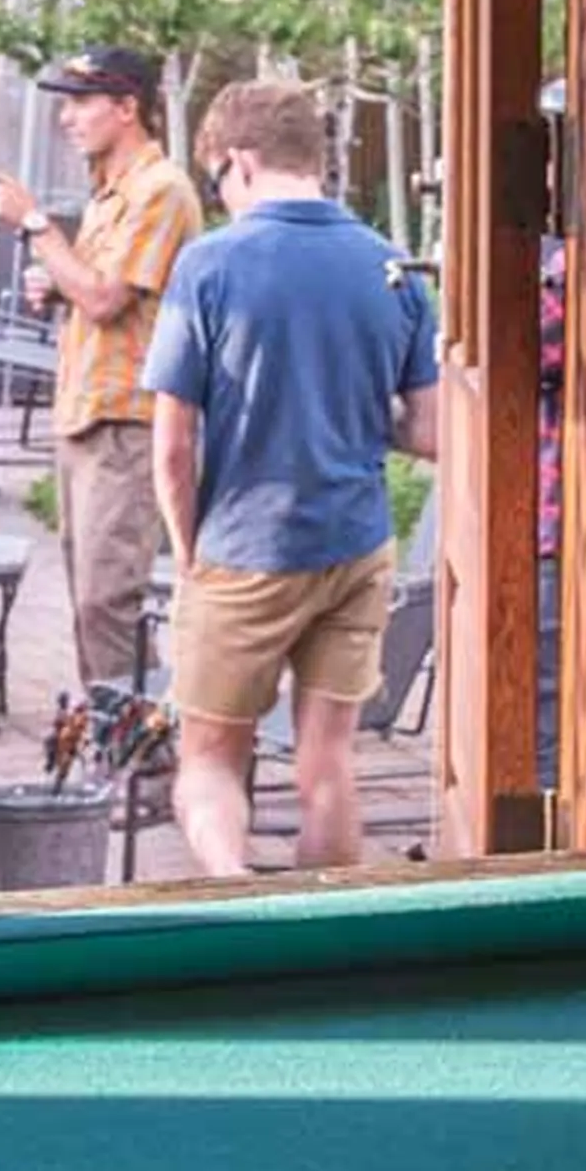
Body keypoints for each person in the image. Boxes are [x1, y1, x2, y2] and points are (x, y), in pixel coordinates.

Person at [143, 79, 438, 876]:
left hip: (243, 546)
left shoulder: (208, 264)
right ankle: (327, 940)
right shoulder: (392, 264)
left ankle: (234, 896)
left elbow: (172, 444)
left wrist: (187, 554)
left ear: (237, 161)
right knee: (327, 763)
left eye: (217, 181)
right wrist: (341, 405)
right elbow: (432, 429)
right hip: (355, 542)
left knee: (206, 758)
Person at [0, 47, 200, 687]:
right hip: (85, 418)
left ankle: (142, 767)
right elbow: (96, 293)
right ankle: (118, 751)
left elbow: (104, 298)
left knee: (108, 601)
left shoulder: (162, 191)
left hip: (128, 422)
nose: (66, 119)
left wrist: (37, 224)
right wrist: (56, 287)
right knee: (89, 600)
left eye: (79, 103)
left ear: (128, 108)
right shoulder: (108, 195)